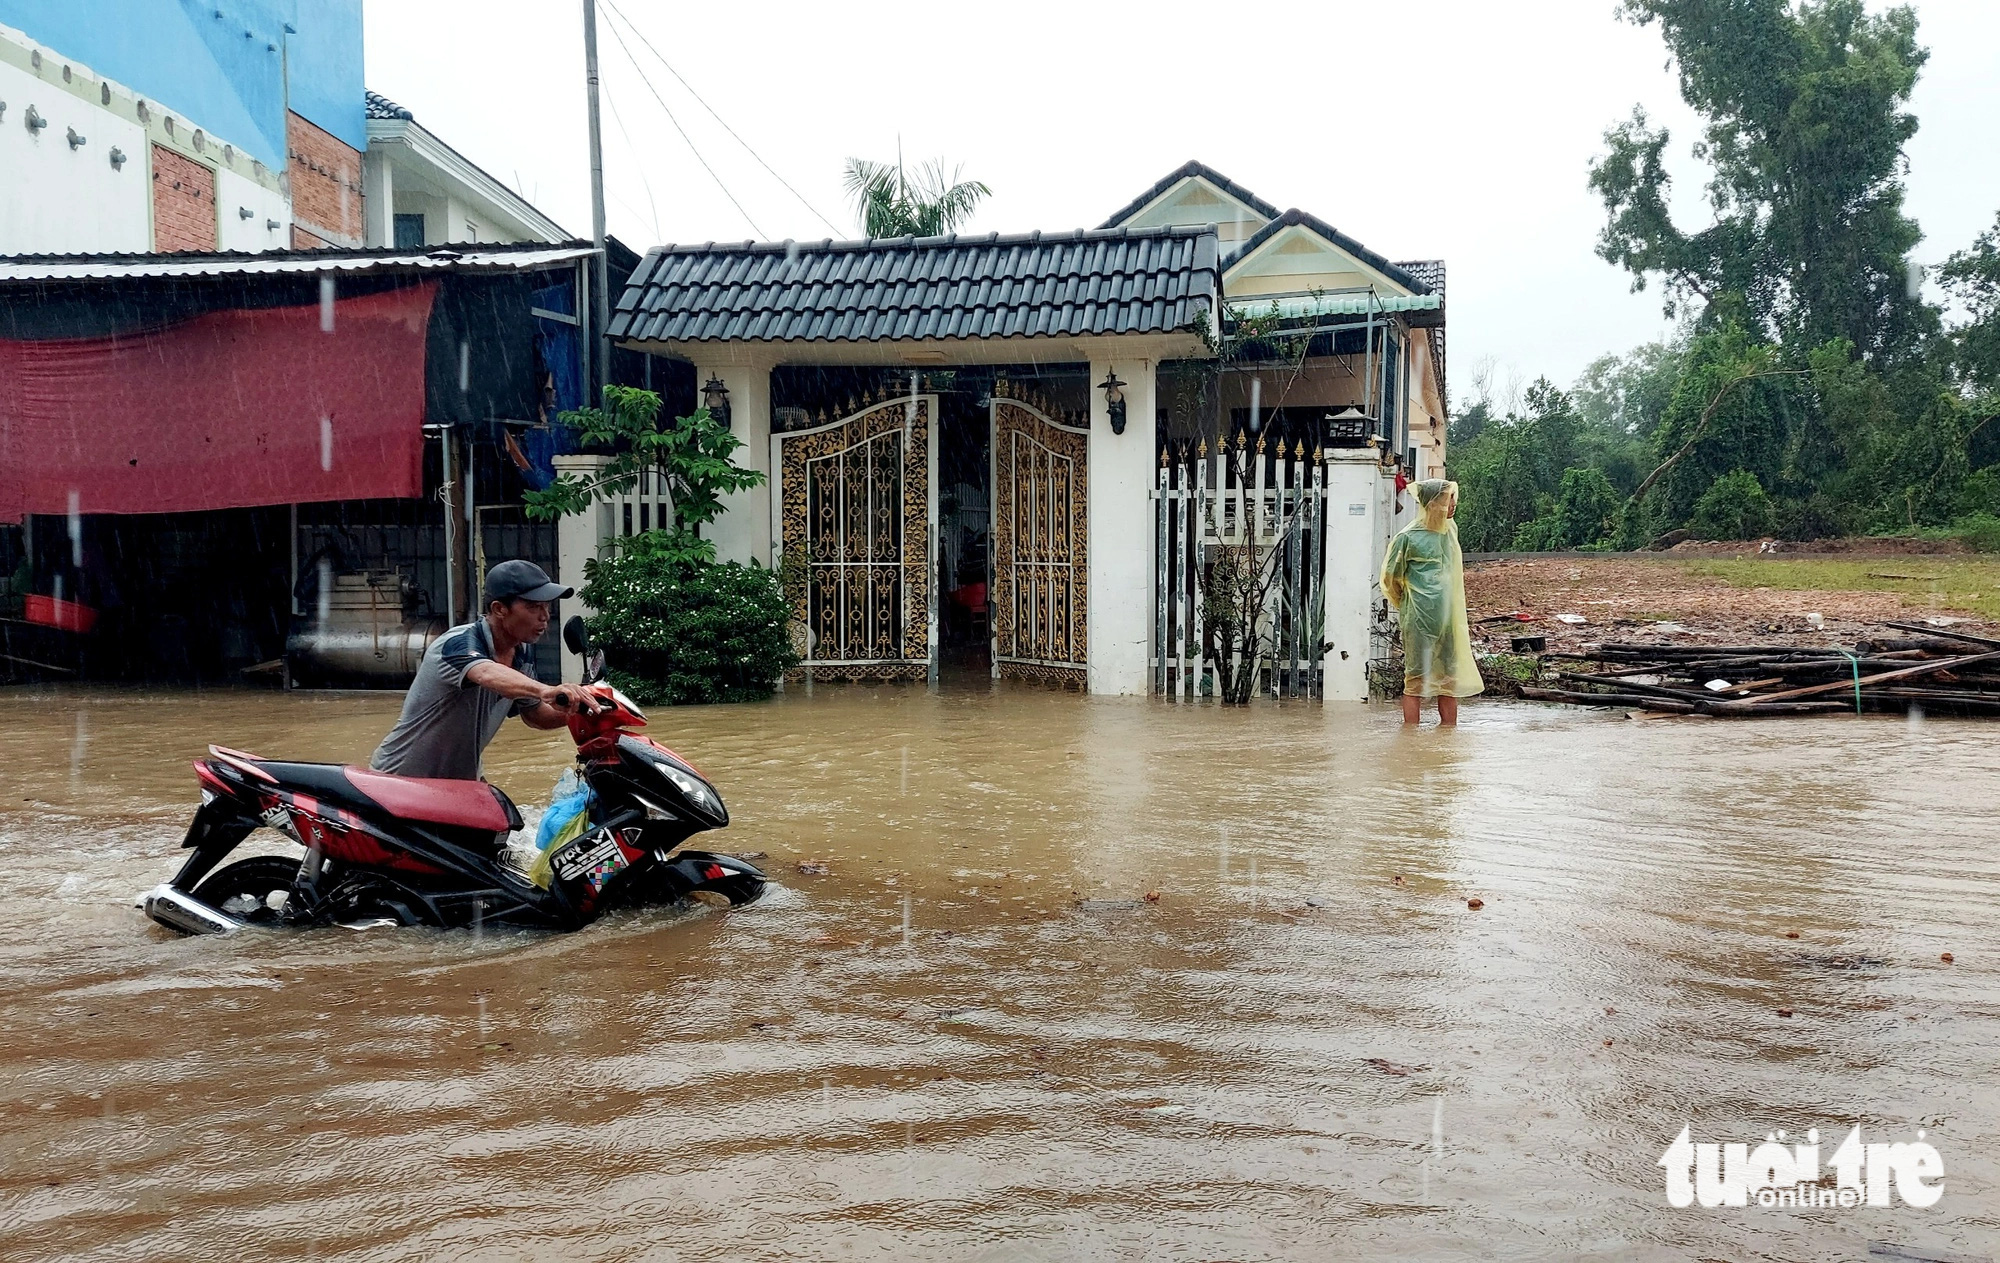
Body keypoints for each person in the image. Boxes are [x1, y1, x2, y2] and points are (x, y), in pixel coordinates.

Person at [370, 560, 599, 781]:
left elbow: (537, 716)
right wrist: (546, 690)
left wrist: (588, 709)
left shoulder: (521, 652)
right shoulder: (458, 643)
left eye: (547, 606)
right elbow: (487, 673)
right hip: (399, 779)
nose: (545, 616)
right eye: (533, 607)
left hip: (461, 780)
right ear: (499, 609)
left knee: (507, 818)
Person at [1380, 479, 1484, 726]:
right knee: (1415, 679)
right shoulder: (1407, 538)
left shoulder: (1449, 532)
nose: (1453, 505)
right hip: (1418, 618)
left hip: (1448, 618)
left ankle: (1447, 736)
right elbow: (1391, 578)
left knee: (1448, 680)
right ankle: (1411, 739)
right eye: (1448, 499)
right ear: (1434, 503)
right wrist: (1410, 605)